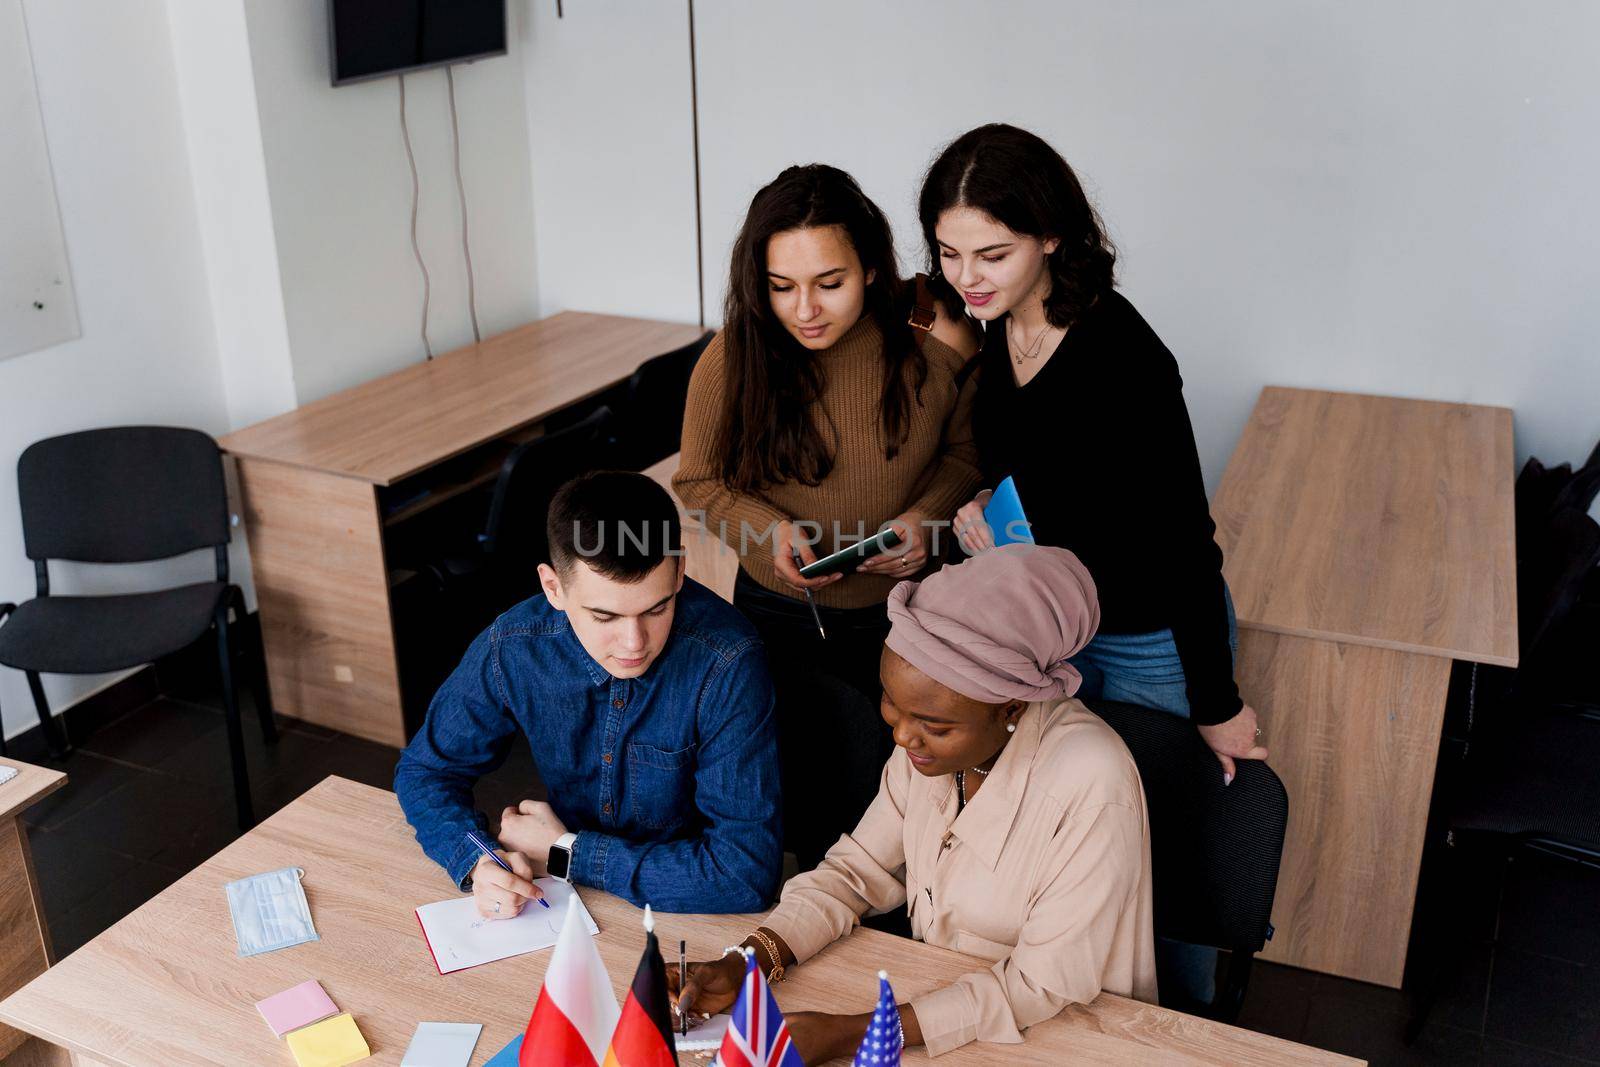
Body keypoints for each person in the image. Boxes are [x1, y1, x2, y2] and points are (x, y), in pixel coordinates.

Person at [924, 121, 1267, 1007]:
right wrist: (987, 521)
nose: (968, 277)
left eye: (992, 253)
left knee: (1161, 865)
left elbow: (1186, 545)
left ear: (1052, 236)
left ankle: (1180, 1033)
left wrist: (1217, 703)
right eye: (949, 252)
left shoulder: (1126, 360)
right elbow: (1040, 477)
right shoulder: (997, 329)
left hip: (1149, 635)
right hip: (1057, 633)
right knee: (1079, 850)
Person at [672, 546, 1156, 1062]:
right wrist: (748, 962)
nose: (903, 736)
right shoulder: (926, 749)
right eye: (890, 702)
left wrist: (852, 1033)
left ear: (1011, 708)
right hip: (939, 1007)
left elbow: (1040, 987)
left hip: (1065, 1036)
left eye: (935, 725)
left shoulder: (1093, 782)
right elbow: (856, 872)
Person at [674, 163, 981, 870]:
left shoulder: (930, 347)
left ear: (872, 268)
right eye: (782, 287)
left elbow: (966, 459)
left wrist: (925, 522)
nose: (805, 309)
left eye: (829, 283)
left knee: (894, 811)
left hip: (902, 616)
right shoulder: (737, 355)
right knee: (787, 800)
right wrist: (765, 531)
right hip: (776, 616)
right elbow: (698, 481)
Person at [394, 471, 782, 917]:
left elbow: (743, 876)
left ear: (679, 571)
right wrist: (479, 859)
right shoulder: (516, 643)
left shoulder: (727, 659)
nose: (635, 643)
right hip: (564, 902)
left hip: (688, 911)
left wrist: (566, 854)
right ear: (553, 587)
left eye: (656, 609)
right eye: (604, 617)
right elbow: (426, 771)